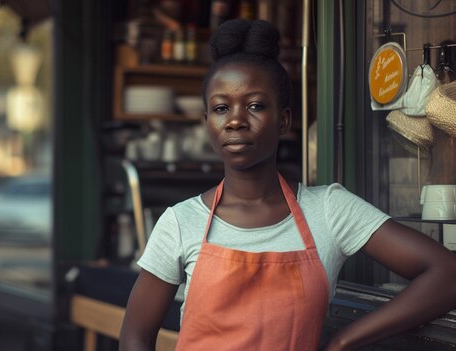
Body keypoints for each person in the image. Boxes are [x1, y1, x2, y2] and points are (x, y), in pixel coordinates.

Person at [119, 19, 456, 351]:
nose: (236, 120)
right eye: (221, 108)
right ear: (208, 122)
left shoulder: (328, 210)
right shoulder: (180, 222)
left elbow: (447, 274)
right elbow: (135, 338)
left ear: (284, 120)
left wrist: (345, 339)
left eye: (255, 106)